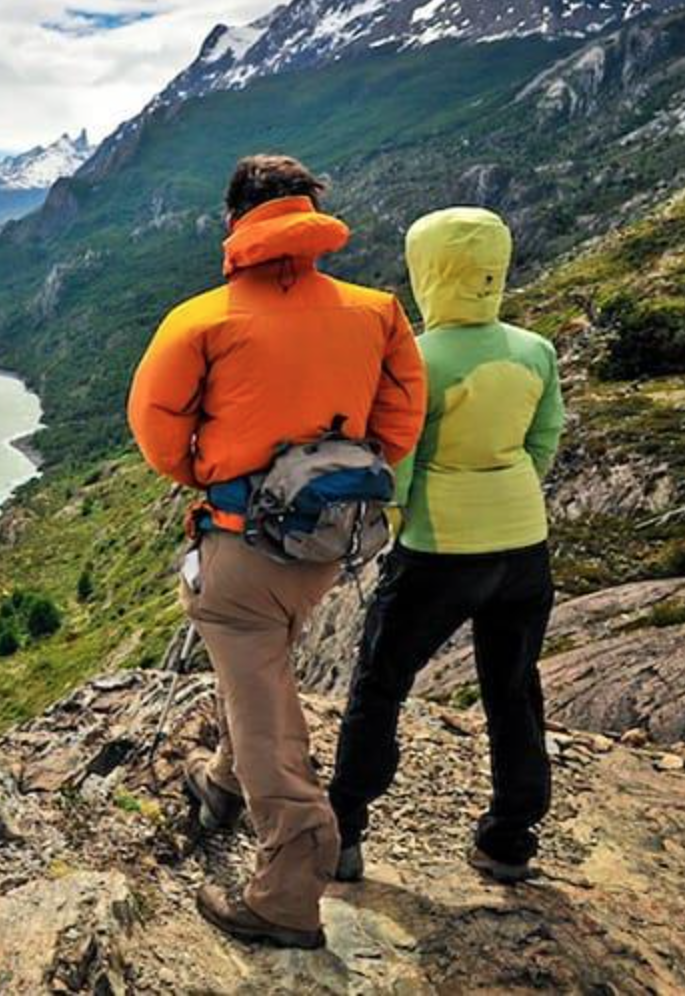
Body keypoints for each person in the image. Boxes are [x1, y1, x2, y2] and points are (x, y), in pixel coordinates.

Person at [128, 154, 426, 949]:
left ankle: (289, 890)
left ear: (235, 222)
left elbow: (159, 435)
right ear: (311, 216)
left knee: (265, 710)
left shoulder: (201, 319)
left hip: (242, 546)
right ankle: (224, 785)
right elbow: (400, 423)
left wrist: (215, 474)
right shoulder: (378, 312)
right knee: (257, 663)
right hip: (328, 541)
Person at [329, 207, 564, 886]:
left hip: (438, 545)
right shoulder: (535, 350)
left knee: (380, 683)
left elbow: (397, 458)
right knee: (514, 689)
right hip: (523, 546)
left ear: (427, 270)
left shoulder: (416, 358)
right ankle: (510, 838)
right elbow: (543, 440)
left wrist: (403, 520)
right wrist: (508, 490)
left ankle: (342, 828)